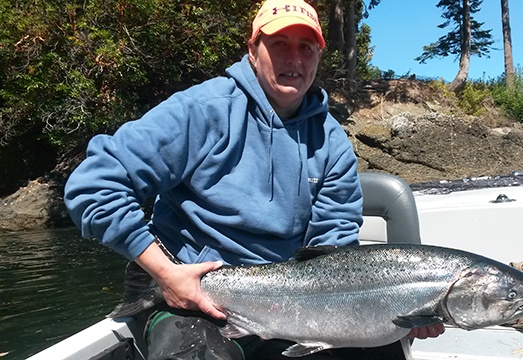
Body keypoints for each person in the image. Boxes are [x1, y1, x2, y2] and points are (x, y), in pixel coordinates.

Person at [64, 0, 444, 358]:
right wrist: (165, 274)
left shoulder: (332, 144)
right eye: (279, 44)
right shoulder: (200, 112)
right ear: (253, 49)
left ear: (318, 57)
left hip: (298, 303)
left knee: (385, 348)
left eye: (306, 47)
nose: (294, 59)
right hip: (191, 300)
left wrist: (399, 314)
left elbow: (333, 250)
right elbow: (93, 186)